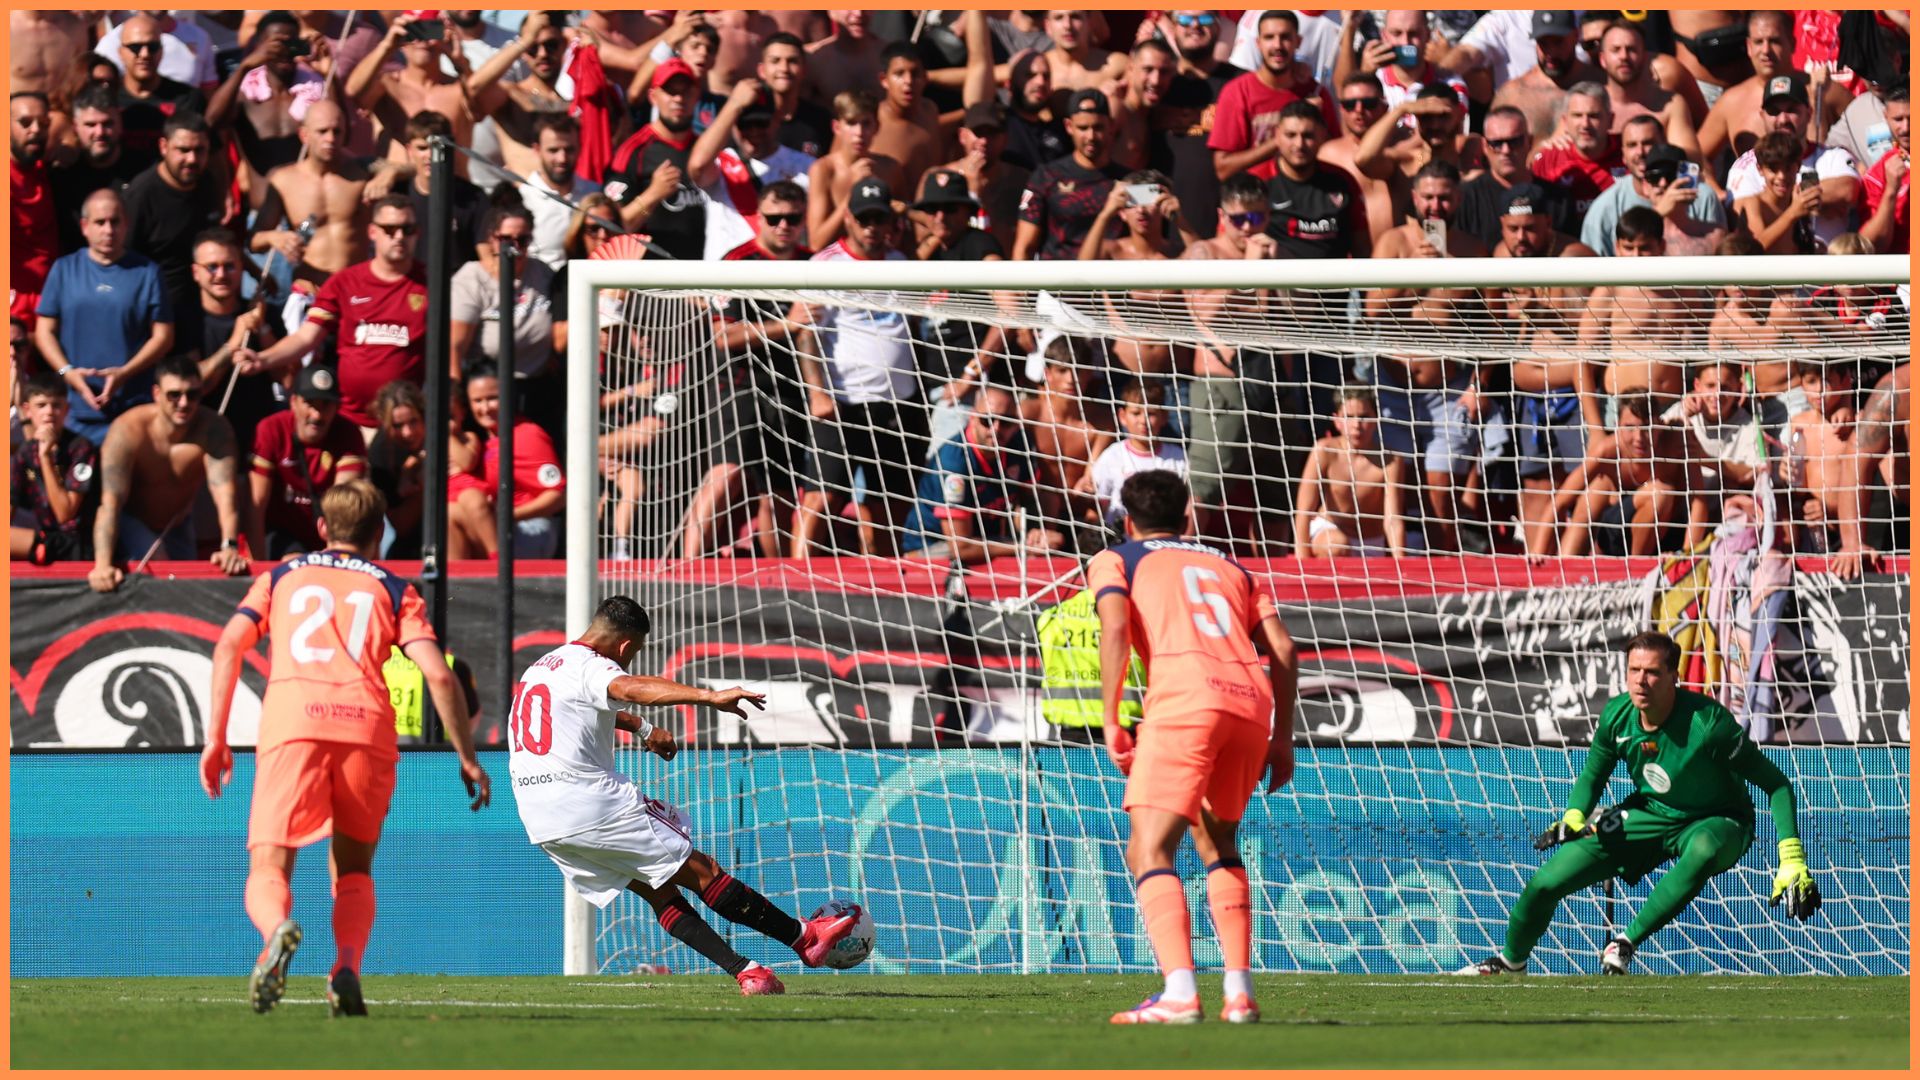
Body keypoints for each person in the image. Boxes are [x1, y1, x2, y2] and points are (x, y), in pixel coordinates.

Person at [202, 479, 490, 1016]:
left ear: (320, 530)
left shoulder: (282, 576)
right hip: (366, 728)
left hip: (293, 723)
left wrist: (216, 737)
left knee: (270, 862)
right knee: (353, 869)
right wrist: (467, 757)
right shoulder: (394, 587)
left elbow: (228, 646)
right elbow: (440, 678)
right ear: (379, 532)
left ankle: (277, 932)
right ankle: (346, 969)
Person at [510, 595, 861, 996]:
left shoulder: (545, 667)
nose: (629, 661)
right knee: (703, 872)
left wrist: (643, 729)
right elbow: (627, 688)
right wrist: (709, 697)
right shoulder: (597, 667)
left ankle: (749, 972)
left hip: (540, 818)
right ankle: (804, 938)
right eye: (635, 653)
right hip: (588, 800)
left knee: (659, 890)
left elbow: (587, 708)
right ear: (626, 646)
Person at [1456, 631, 1820, 977]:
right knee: (1546, 882)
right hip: (1650, 813)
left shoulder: (1709, 724)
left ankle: (1624, 944)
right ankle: (1510, 963)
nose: (1640, 681)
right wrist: (1573, 814)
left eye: (1652, 672)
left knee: (1705, 848)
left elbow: (1777, 784)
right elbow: (1593, 776)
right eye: (1634, 670)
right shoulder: (1616, 716)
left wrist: (1791, 857)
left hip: (1719, 820)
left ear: (1674, 676)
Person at [1090, 469, 1297, 1024]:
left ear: (1126, 520)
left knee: (1148, 849)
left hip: (1186, 696)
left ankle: (1180, 993)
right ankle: (1239, 992)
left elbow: (1114, 629)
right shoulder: (1231, 564)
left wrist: (1111, 716)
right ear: (1188, 518)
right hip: (1249, 702)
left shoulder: (1118, 557)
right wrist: (1282, 738)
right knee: (1218, 839)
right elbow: (1282, 645)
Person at [237, 195, 430, 432]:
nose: (399, 236)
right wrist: (263, 359)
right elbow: (306, 338)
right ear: (372, 232)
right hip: (352, 423)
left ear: (417, 233)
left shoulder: (432, 284)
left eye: (407, 229)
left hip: (408, 424)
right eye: (390, 229)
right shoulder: (344, 282)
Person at [87, 355, 248, 592]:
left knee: (191, 587)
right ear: (156, 394)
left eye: (192, 395)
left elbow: (225, 492)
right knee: (159, 563)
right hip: (133, 521)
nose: (184, 403)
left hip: (179, 523)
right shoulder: (128, 430)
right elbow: (110, 503)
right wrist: (102, 565)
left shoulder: (213, 430)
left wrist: (229, 545)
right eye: (174, 395)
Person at [36, 188, 176, 447]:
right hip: (74, 412)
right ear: (85, 226)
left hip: (132, 408)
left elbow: (164, 336)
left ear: (126, 225)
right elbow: (44, 331)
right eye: (100, 222)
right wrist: (68, 373)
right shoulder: (64, 269)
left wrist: (124, 373)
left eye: (115, 222)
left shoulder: (147, 272)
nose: (108, 230)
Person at [901, 385, 1062, 563]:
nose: (996, 429)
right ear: (972, 417)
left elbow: (1029, 499)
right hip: (934, 547)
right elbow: (960, 547)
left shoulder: (1019, 444)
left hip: (985, 539)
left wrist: (1037, 533)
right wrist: (1022, 546)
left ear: (1016, 423)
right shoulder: (953, 464)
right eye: (987, 420)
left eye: (1006, 422)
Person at [177, 228, 283, 458]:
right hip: (203, 443)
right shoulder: (185, 320)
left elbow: (288, 378)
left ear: (241, 269)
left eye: (230, 266)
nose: (221, 274)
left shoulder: (265, 314)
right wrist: (233, 342)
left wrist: (263, 329)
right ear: (196, 272)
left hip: (257, 442)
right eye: (212, 267)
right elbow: (193, 386)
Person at [446, 361, 566, 559]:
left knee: (453, 512)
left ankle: (492, 572)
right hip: (498, 528)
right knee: (450, 512)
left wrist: (507, 516)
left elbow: (558, 496)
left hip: (529, 529)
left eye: (492, 398)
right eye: (477, 401)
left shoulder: (527, 434)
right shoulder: (486, 441)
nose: (485, 408)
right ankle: (456, 588)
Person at [246, 365, 367, 559]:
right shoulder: (271, 429)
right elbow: (256, 503)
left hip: (329, 533)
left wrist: (334, 555)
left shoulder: (349, 434)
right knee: (294, 562)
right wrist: (259, 566)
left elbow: (343, 504)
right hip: (281, 531)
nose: (317, 415)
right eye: (310, 404)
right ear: (293, 402)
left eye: (325, 405)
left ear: (336, 407)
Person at [250, 99, 372, 289]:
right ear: (304, 135)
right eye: (322, 131)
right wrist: (275, 237)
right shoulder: (284, 181)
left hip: (355, 289)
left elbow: (407, 168)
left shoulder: (363, 172)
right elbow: (253, 241)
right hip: (311, 291)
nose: (330, 139)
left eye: (337, 131)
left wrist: (389, 175)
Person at [122, 112, 229, 316]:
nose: (192, 159)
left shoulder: (206, 182)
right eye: (183, 150)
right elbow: (124, 262)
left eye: (200, 150)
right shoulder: (140, 197)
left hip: (203, 307)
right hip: (157, 311)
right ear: (163, 147)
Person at [1293, 388, 1413, 558]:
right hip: (1329, 534)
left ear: (1376, 419)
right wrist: (1301, 561)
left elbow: (1393, 518)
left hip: (1371, 542)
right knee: (1337, 546)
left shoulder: (1391, 460)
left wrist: (1401, 564)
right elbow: (1304, 511)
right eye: (1349, 417)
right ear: (1337, 421)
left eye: (1364, 417)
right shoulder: (1324, 451)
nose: (1357, 425)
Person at [604, 59, 705, 259]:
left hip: (704, 273)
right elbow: (610, 226)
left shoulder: (707, 149)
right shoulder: (632, 151)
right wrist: (652, 194)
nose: (678, 99)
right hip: (652, 276)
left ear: (696, 96)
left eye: (685, 92)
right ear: (653, 96)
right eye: (670, 91)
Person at [1014, 89, 1128, 261]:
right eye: (1083, 128)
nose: (1090, 136)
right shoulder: (1047, 176)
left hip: (1111, 283)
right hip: (1058, 284)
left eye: (1098, 127)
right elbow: (1024, 246)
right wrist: (1018, 287)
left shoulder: (1128, 181)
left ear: (1111, 126)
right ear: (1069, 126)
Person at [1580, 127, 1725, 257]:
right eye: (1654, 177)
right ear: (1645, 185)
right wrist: (1659, 212)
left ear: (1687, 179)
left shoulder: (1713, 234)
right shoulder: (1607, 210)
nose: (1663, 183)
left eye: (1670, 175)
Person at [9, 373, 98, 564]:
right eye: (41, 405)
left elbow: (65, 515)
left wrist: (45, 457)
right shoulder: (25, 452)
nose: (49, 412)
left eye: (56, 405)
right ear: (27, 410)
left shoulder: (81, 447)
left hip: (78, 543)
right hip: (44, 538)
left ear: (66, 410)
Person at [1083, 380, 1187, 527]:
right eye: (1136, 413)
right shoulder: (1113, 456)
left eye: (1151, 414)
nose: (1143, 421)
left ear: (1164, 417)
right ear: (1122, 416)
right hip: (1119, 540)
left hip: (1162, 538)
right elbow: (1096, 507)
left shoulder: (1177, 458)